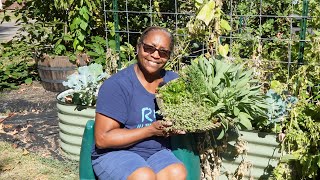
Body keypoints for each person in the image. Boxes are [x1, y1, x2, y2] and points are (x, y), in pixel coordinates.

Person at [91, 26, 187, 180]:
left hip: (156, 152)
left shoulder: (173, 82)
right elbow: (103, 139)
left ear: (169, 56)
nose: (155, 55)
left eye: (163, 52)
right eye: (149, 48)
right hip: (115, 153)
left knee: (177, 172)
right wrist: (150, 131)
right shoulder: (118, 85)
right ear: (138, 47)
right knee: (144, 176)